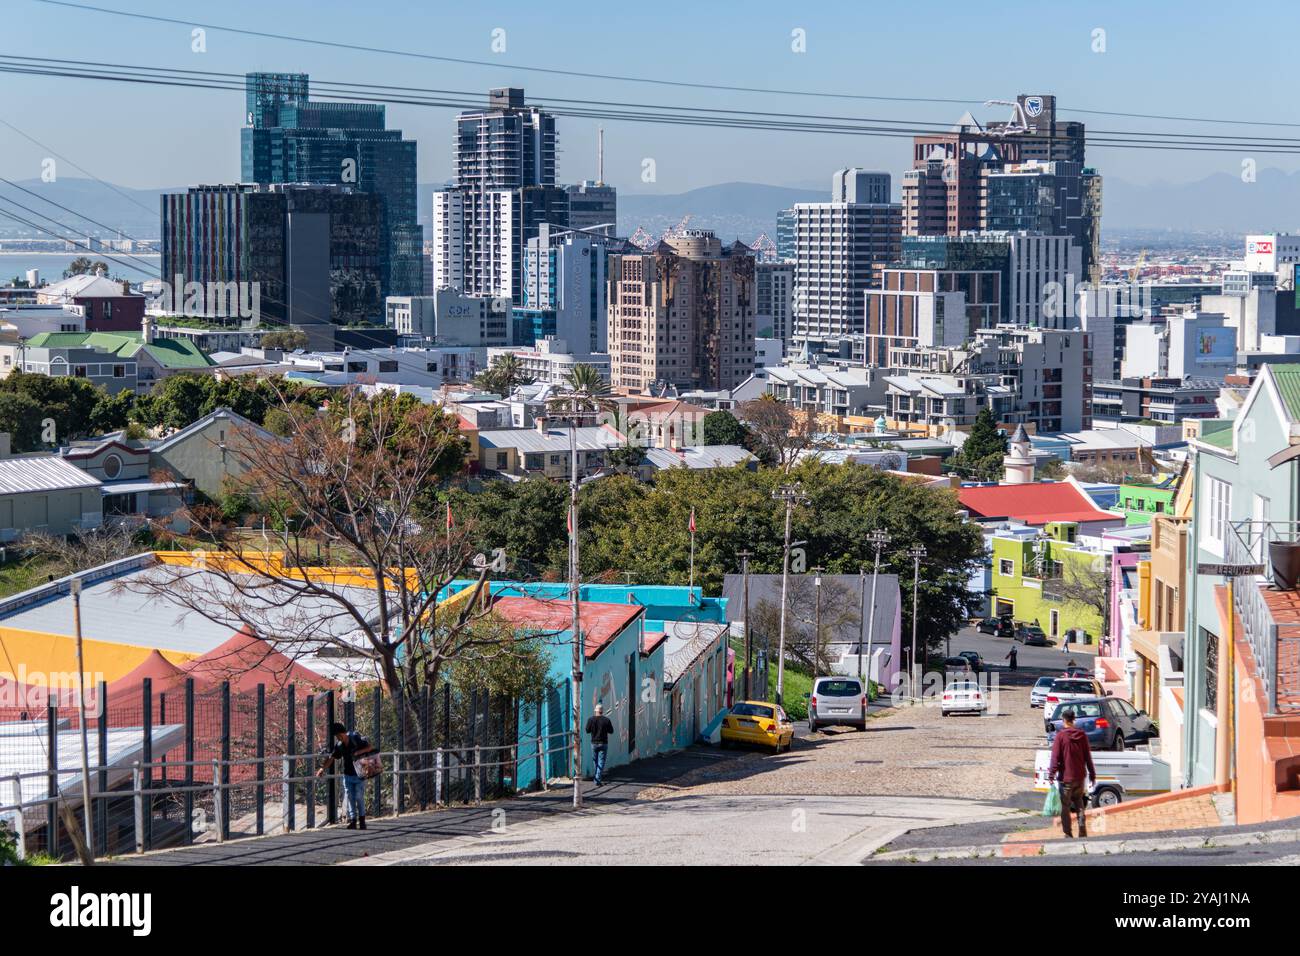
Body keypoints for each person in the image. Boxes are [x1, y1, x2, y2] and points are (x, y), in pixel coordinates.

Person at [1047, 709, 1097, 838]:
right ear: (1074, 719)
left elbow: (1055, 757)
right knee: (1079, 804)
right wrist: (1092, 774)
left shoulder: (1061, 736)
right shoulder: (1082, 735)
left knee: (1065, 806)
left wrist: (1051, 774)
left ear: (1064, 720)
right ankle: (1082, 831)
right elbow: (1088, 757)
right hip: (1080, 777)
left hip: (1066, 778)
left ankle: (1068, 833)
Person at [317, 722, 369, 830]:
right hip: (348, 775)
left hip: (360, 774)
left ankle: (362, 820)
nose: (337, 738)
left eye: (338, 735)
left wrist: (359, 755)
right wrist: (323, 768)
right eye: (336, 736)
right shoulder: (340, 745)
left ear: (342, 733)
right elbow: (332, 757)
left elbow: (369, 748)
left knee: (359, 797)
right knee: (350, 797)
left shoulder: (355, 737)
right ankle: (353, 821)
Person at [585, 703, 614, 787]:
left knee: (595, 761)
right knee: (601, 761)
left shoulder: (590, 720)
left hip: (594, 743)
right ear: (602, 711)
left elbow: (587, 730)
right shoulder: (606, 720)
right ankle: (597, 778)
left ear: (595, 711)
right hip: (603, 743)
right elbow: (611, 731)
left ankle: (597, 777)